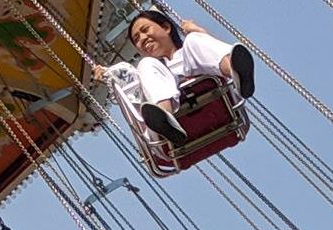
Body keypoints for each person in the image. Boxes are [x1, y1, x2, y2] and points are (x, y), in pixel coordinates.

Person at [94, 10, 255, 145]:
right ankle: (165, 118)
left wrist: (199, 32)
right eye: (136, 39)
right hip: (166, 129)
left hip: (214, 96)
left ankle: (237, 73)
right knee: (146, 65)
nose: (142, 39)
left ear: (166, 27)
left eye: (145, 30)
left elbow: (207, 51)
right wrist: (109, 77)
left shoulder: (189, 53)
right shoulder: (149, 70)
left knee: (194, 40)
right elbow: (130, 91)